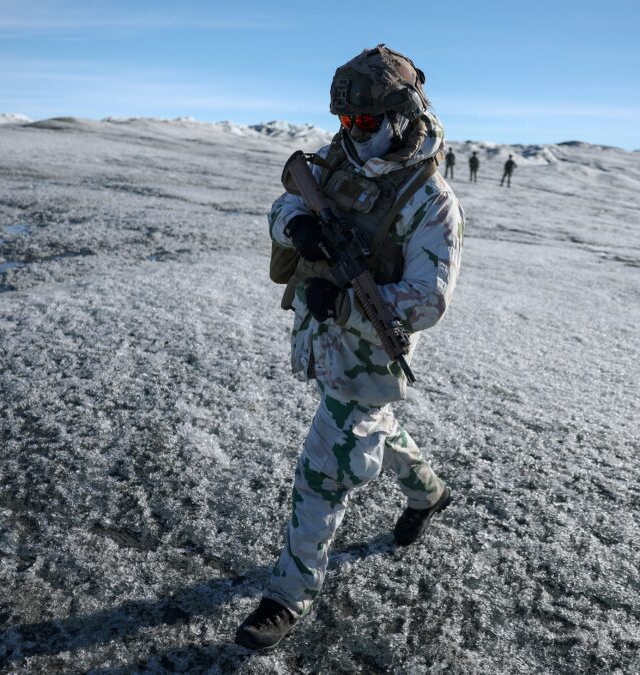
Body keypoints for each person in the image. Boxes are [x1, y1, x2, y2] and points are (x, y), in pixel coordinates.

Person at [235, 44, 464, 651]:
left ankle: (288, 594)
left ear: (401, 115)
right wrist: (298, 225)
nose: (353, 132)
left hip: (369, 354)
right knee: (376, 430)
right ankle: (429, 493)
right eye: (345, 121)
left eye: (364, 122)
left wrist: (342, 300)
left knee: (322, 471)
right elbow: (284, 205)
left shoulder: (430, 201)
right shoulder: (334, 163)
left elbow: (429, 299)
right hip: (325, 340)